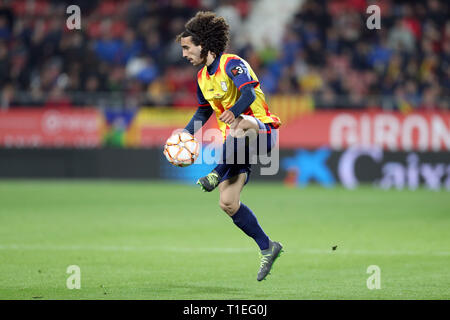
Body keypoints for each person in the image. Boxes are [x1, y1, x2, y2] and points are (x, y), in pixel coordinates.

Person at [175, 11, 283, 281]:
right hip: (235, 145)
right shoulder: (202, 78)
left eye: (187, 48)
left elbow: (247, 92)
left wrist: (234, 111)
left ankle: (216, 172)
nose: (184, 54)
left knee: (239, 125)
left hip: (260, 130)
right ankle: (268, 247)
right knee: (227, 202)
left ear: (204, 45)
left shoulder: (231, 63)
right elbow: (202, 113)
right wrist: (185, 135)